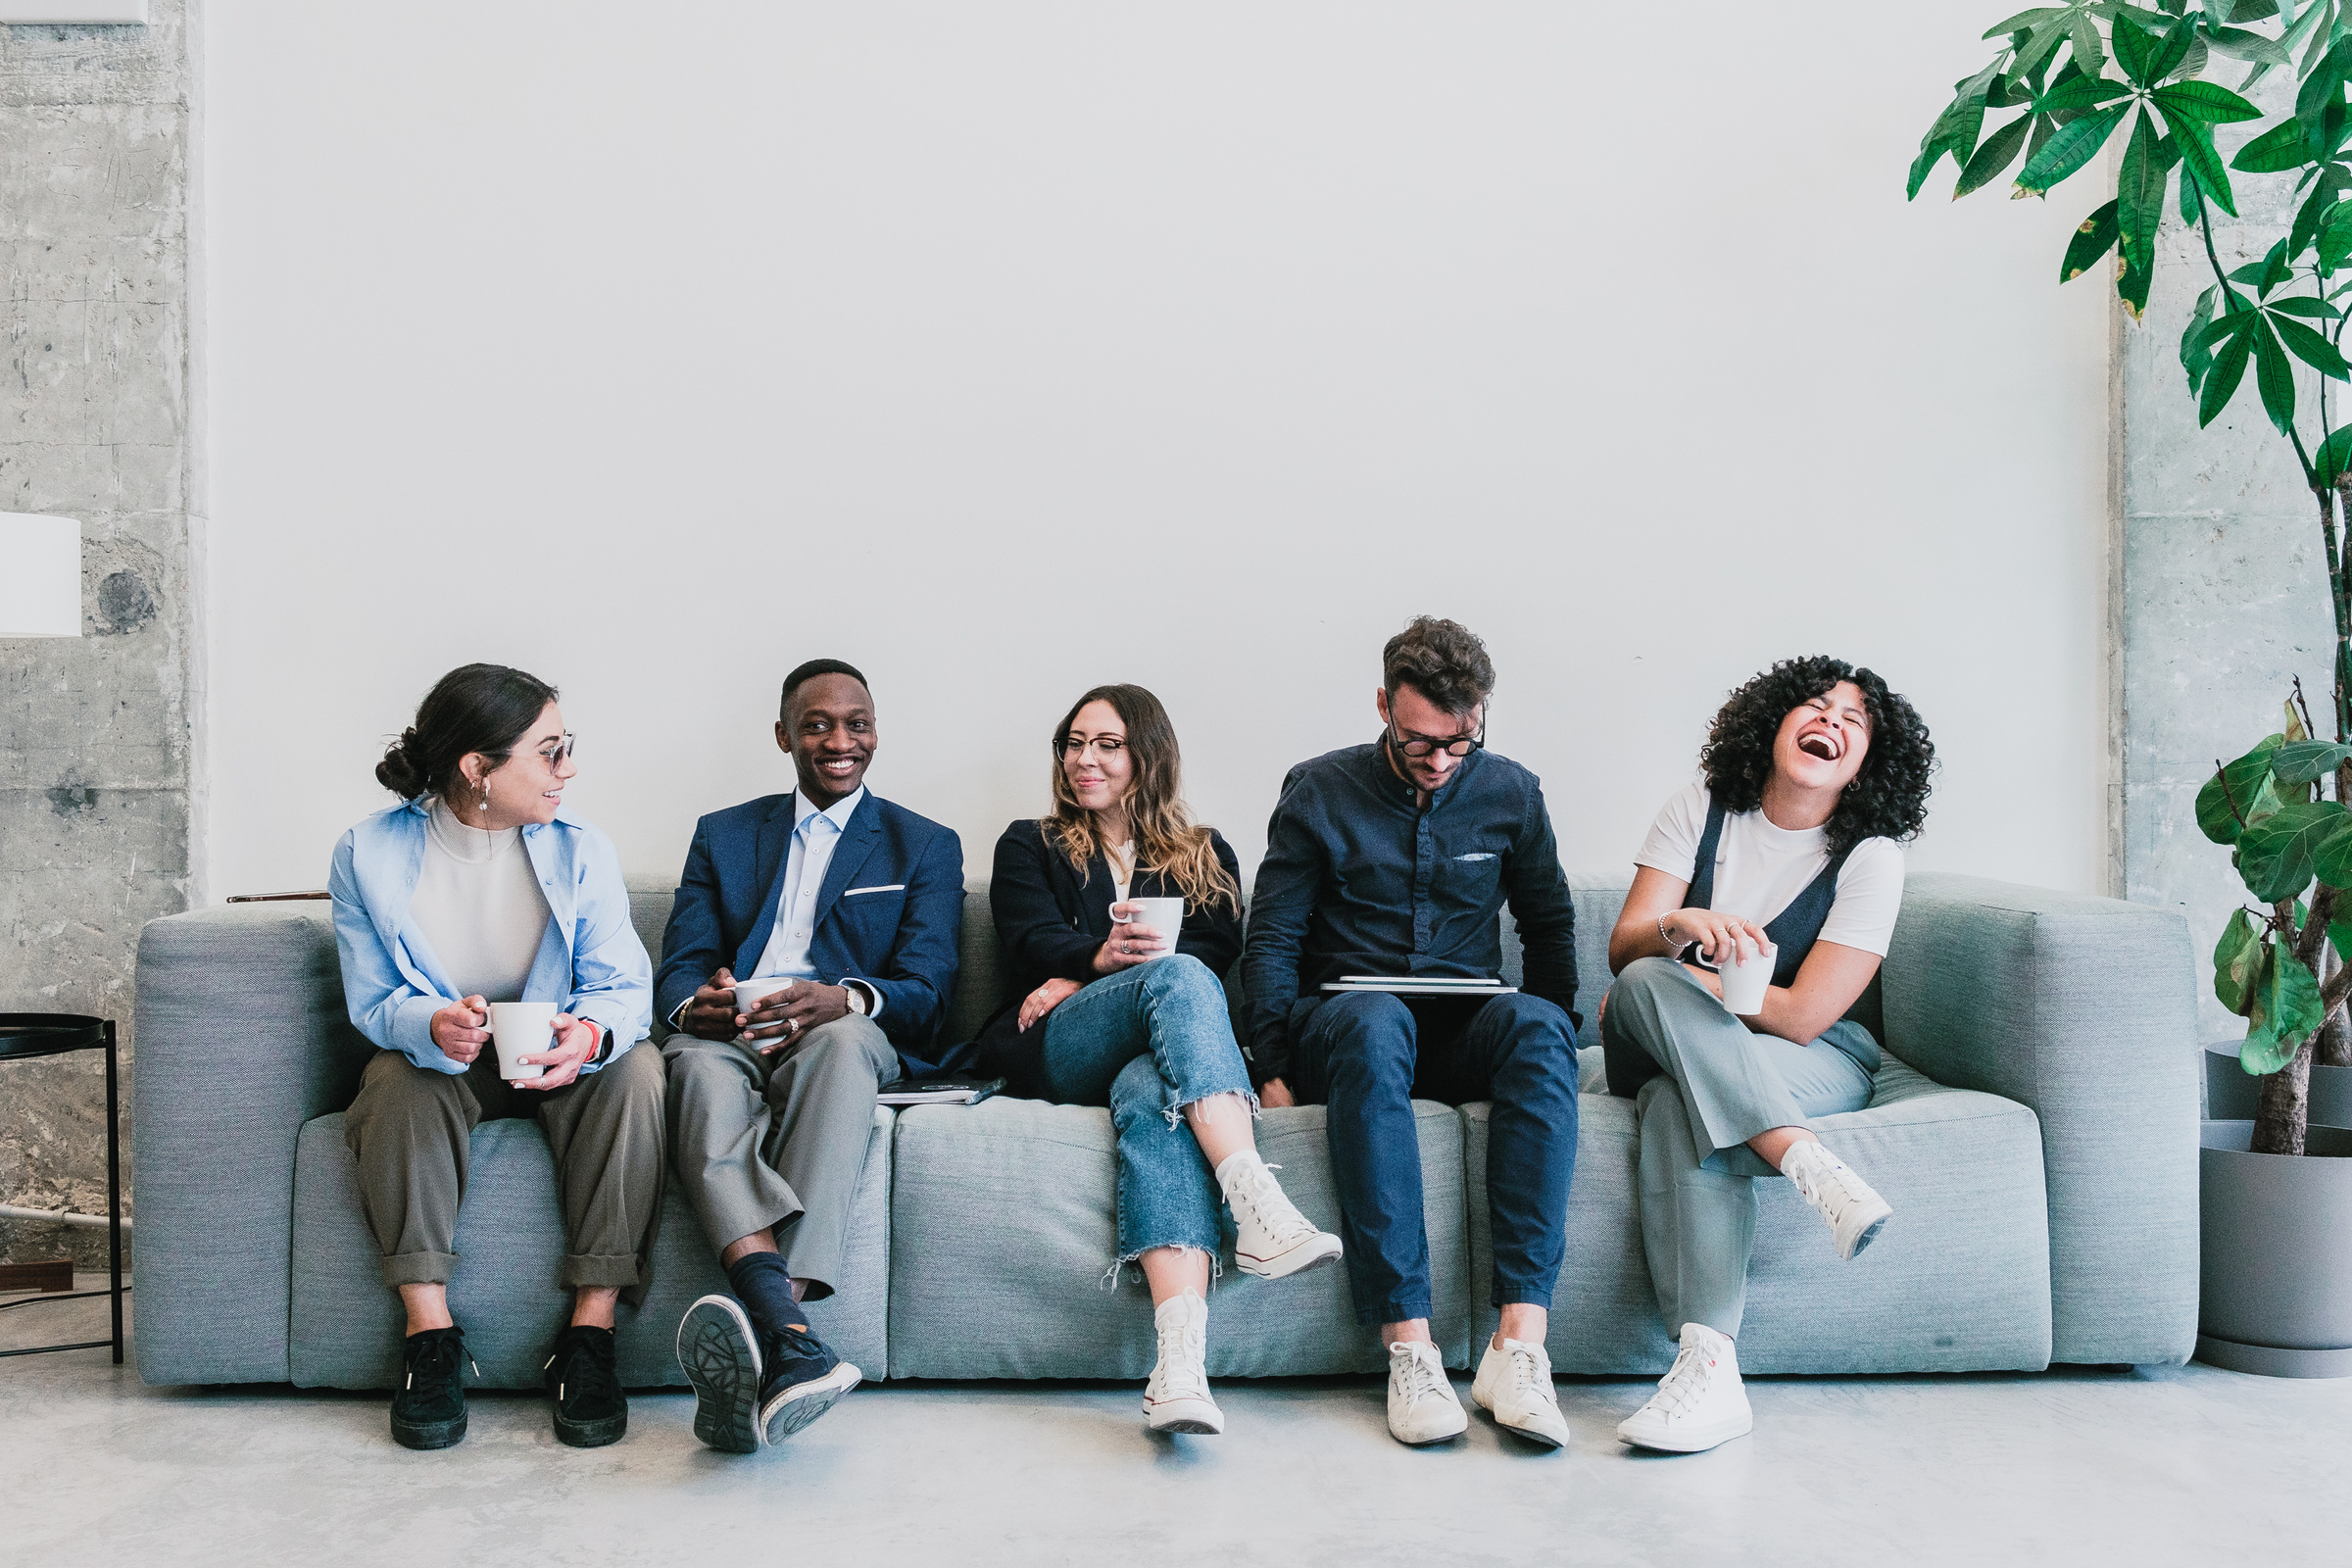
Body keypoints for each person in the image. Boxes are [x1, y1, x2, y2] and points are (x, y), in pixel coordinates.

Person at [1245, 616, 1581, 1451]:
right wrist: (1271, 1059)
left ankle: (1519, 1347)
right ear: (1383, 709)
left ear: (1480, 716)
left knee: (1539, 1030)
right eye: (1417, 741)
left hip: (1465, 1024)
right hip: (1349, 1027)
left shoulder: (1513, 792)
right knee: (1372, 1016)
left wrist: (1562, 1029)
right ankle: (1410, 1349)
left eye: (1458, 743)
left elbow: (1549, 923)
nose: (1438, 761)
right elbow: (1275, 935)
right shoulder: (1318, 790)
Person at [975, 684, 1344, 1437]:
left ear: (1148, 754)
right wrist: (1091, 961)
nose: (1086, 759)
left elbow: (1216, 953)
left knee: (1153, 1086)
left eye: (1107, 744)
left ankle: (1179, 1368)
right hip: (1060, 1046)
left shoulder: (1205, 853)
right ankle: (1252, 1199)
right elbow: (1027, 935)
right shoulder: (1029, 843)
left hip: (1151, 1052)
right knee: (1175, 978)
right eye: (1074, 743)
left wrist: (1095, 971)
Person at [1600, 657, 1934, 1455]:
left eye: (1854, 722)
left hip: (1805, 1056)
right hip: (1654, 1033)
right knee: (1647, 978)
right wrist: (1685, 927)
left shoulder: (1871, 858)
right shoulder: (1699, 808)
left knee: (1683, 1100)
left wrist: (1707, 993)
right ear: (1776, 721)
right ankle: (1807, 1163)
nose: (1832, 723)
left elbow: (1809, 1015)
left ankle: (1708, 1369)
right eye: (1817, 707)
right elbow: (1624, 949)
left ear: (1868, 764)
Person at [328, 663, 662, 1452]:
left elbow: (623, 987)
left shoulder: (583, 849)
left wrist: (587, 1036)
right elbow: (372, 1001)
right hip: (446, 1063)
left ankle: (589, 1336)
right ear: (477, 768)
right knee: (395, 1082)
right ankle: (429, 1338)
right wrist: (430, 1022)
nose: (568, 770)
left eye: (566, 747)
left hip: (554, 1055)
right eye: (549, 752)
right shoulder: (367, 853)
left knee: (639, 1071)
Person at [657, 658, 962, 1453]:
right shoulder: (723, 834)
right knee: (688, 1062)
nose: (839, 740)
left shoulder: (923, 843)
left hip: (842, 1032)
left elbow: (929, 989)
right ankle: (792, 1345)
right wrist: (701, 1004)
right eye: (818, 724)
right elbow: (679, 968)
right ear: (784, 735)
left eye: (856, 723)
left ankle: (770, 1316)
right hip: (736, 1037)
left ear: (874, 731)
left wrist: (847, 996)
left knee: (842, 1044)